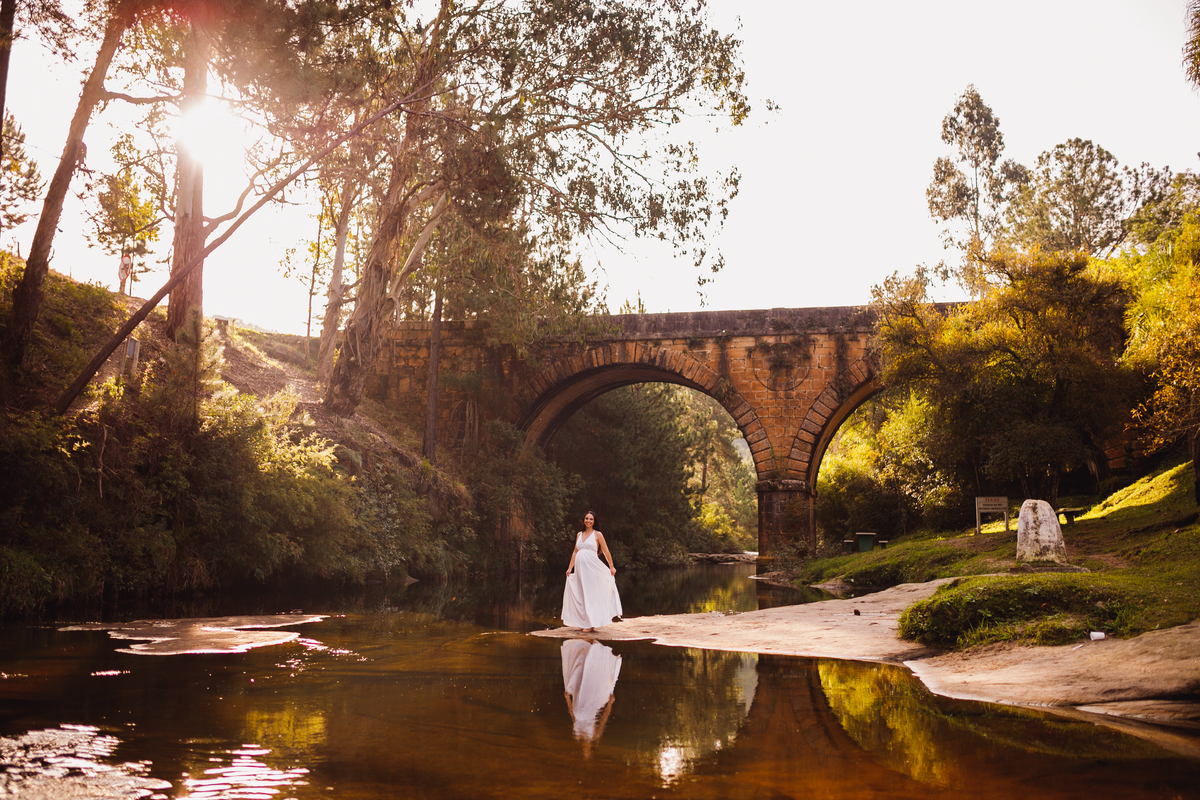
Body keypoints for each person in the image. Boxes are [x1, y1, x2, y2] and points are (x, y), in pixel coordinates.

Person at [561, 512, 623, 632]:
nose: (588, 521)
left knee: (590, 594)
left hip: (592, 569)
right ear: (583, 520)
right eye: (586, 518)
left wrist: (611, 566)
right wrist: (570, 568)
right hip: (580, 570)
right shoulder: (579, 534)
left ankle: (591, 623)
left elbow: (606, 551)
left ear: (594, 521)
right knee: (581, 593)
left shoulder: (598, 534)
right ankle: (584, 621)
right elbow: (575, 552)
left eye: (591, 519)